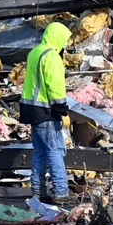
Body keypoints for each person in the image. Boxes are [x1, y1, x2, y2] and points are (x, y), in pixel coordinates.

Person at [20, 22, 76, 207]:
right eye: (64, 40)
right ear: (57, 37)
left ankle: (38, 191)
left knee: (40, 152)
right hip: (46, 111)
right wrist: (61, 108)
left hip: (31, 109)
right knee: (55, 151)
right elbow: (54, 84)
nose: (65, 44)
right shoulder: (51, 56)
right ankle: (61, 192)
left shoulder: (35, 52)